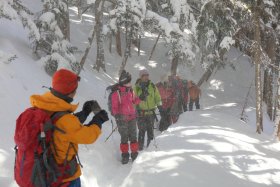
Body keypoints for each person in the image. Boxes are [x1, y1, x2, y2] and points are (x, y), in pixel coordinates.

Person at [29, 69, 109, 186]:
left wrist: (84, 113)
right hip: (64, 176)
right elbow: (88, 136)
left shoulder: (45, 104)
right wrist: (98, 120)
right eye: (75, 90)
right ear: (70, 92)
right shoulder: (66, 121)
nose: (75, 92)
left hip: (45, 170)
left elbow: (59, 124)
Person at [111, 70, 141, 164]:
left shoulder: (130, 90)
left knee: (133, 137)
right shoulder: (117, 93)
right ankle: (125, 156)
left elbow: (135, 101)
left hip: (132, 117)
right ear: (124, 82)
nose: (130, 83)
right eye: (129, 81)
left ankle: (134, 154)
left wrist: (141, 98)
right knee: (124, 138)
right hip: (122, 119)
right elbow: (114, 107)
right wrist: (117, 116)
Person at [134, 69, 162, 150]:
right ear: (141, 77)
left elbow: (157, 97)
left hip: (151, 112)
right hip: (141, 113)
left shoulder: (152, 86)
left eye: (147, 75)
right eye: (144, 76)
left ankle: (150, 148)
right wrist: (140, 98)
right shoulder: (136, 87)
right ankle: (140, 148)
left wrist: (160, 106)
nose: (146, 77)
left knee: (150, 131)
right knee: (141, 131)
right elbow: (132, 100)